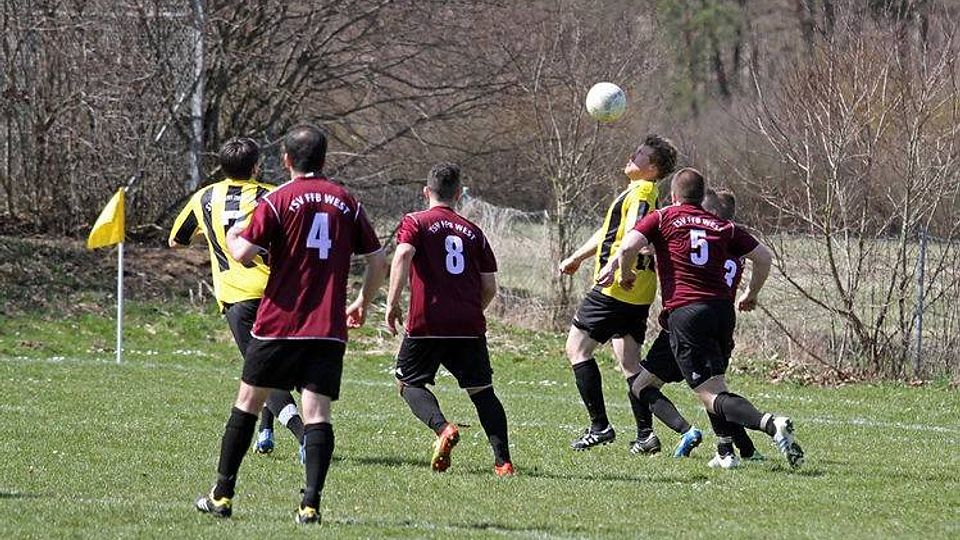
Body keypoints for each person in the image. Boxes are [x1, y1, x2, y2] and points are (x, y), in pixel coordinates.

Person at [194, 124, 387, 525]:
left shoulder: (279, 199)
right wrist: (362, 302)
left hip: (277, 323)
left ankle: (223, 495)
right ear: (324, 159)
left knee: (247, 403)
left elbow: (245, 253)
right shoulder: (346, 201)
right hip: (327, 326)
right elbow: (377, 259)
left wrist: (232, 237)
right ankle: (310, 504)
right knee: (318, 413)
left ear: (286, 160)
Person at [598, 168, 804, 469]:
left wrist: (625, 273)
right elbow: (763, 257)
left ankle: (770, 424)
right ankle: (725, 452)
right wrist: (751, 293)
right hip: (721, 312)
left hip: (686, 313)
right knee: (650, 385)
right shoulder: (723, 225)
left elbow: (628, 245)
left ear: (672, 195)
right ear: (701, 194)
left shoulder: (664, 217)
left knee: (710, 394)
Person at [558, 135, 703, 456]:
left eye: (639, 154)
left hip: (616, 289)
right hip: (639, 294)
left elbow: (635, 232)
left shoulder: (642, 192)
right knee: (631, 366)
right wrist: (579, 257)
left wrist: (618, 269)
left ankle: (600, 427)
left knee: (577, 349)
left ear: (651, 168)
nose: (631, 156)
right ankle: (648, 435)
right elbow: (613, 233)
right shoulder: (643, 192)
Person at [168, 137, 305, 458]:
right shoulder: (275, 195)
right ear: (256, 167)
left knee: (262, 371)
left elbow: (178, 240)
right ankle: (266, 431)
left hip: (238, 297)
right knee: (272, 364)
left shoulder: (204, 197)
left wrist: (214, 237)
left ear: (221, 167)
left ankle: (303, 436)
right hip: (280, 294)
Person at [385, 163, 514, 477]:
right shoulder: (474, 232)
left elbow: (402, 255)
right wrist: (471, 311)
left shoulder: (415, 221)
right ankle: (503, 463)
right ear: (459, 194)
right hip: (468, 324)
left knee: (409, 382)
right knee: (483, 391)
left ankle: (443, 429)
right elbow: (489, 287)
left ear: (426, 192)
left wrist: (392, 303)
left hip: (426, 321)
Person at [627, 188, 764, 466]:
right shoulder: (729, 241)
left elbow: (653, 248)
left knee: (645, 386)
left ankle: (684, 432)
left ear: (708, 213)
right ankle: (741, 450)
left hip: (686, 322)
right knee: (714, 388)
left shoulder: (698, 233)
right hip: (720, 319)